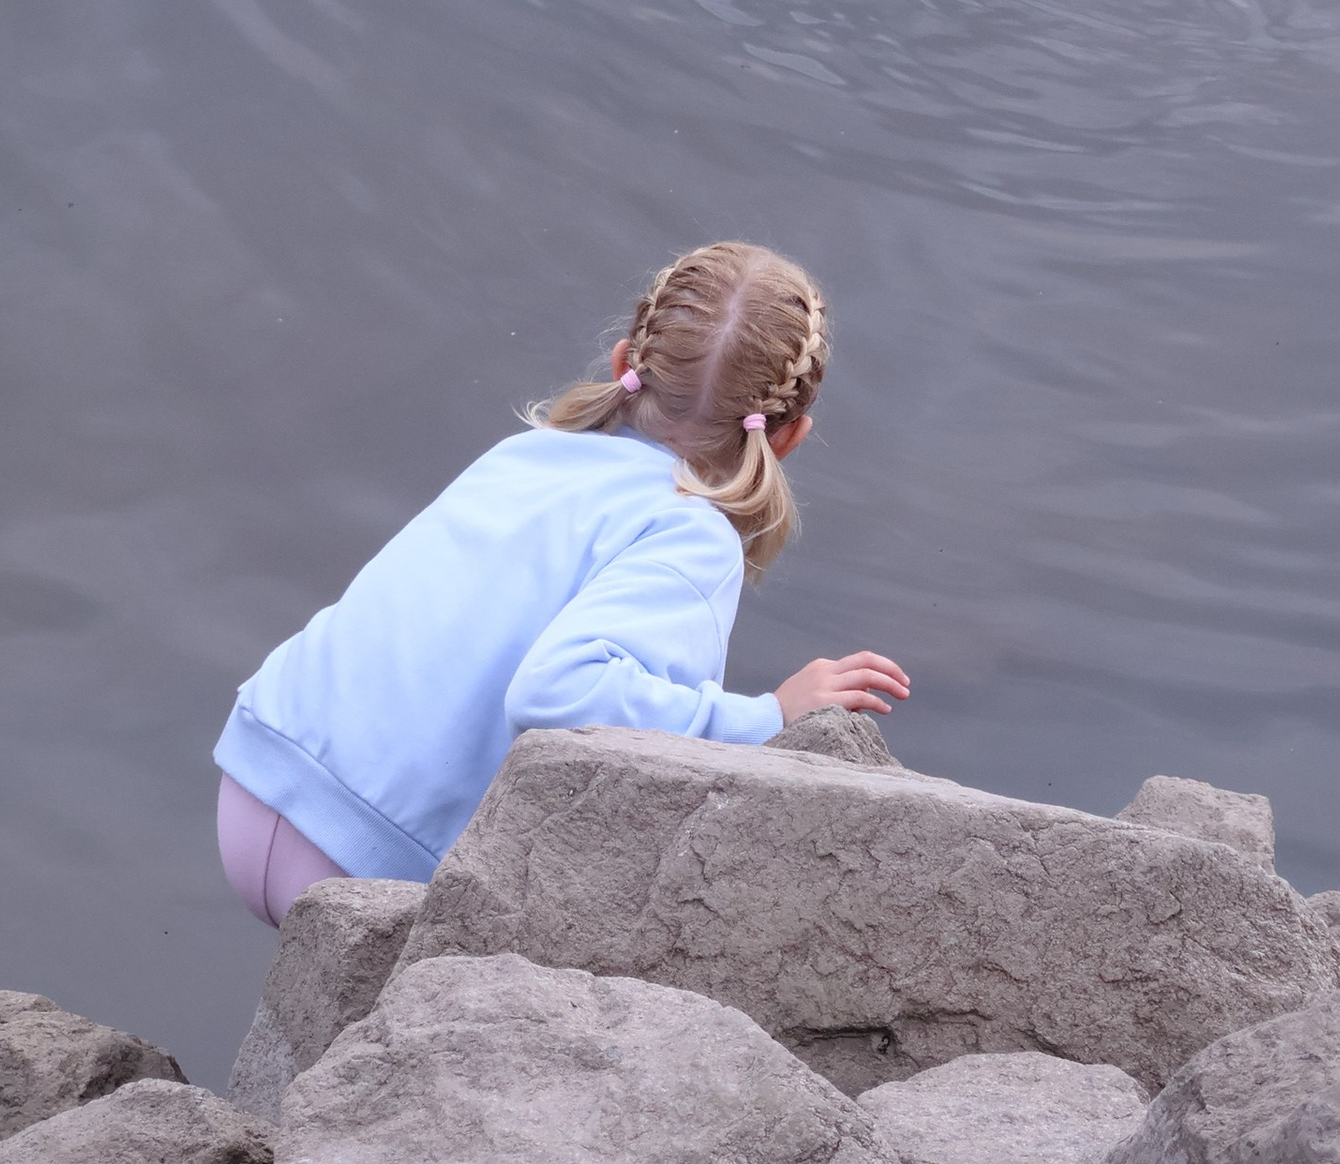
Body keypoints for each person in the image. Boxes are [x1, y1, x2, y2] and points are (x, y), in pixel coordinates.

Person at [212, 240, 911, 928]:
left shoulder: (530, 452)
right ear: (789, 438)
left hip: (256, 776)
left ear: (622, 364)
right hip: (371, 860)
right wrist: (768, 719)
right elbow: (558, 691)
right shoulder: (693, 533)